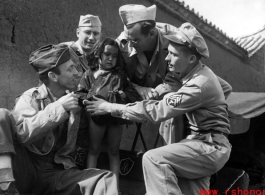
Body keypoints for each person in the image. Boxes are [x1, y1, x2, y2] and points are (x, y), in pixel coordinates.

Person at [85, 22, 232, 195]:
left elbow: (156, 111)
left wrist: (109, 106)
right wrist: (205, 107)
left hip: (208, 147)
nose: (167, 58)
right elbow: (226, 88)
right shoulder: (202, 73)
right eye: (167, 52)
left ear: (191, 59)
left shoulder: (198, 85)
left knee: (153, 159)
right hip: (199, 144)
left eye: (173, 54)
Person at [7, 43, 118, 195]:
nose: (77, 73)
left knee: (104, 179)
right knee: (1, 116)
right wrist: (59, 107)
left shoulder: (75, 100)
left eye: (75, 67)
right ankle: (5, 188)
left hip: (56, 173)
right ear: (53, 76)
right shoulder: (31, 97)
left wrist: (107, 107)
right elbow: (22, 134)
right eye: (70, 69)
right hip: (25, 168)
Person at [77, 37, 141, 187]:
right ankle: (90, 185)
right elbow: (80, 92)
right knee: (93, 149)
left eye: (114, 56)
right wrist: (86, 101)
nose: (110, 59)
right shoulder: (89, 74)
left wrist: (123, 95)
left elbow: (133, 95)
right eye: (107, 54)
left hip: (115, 118)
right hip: (96, 119)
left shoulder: (120, 76)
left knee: (113, 151)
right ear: (99, 54)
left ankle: (114, 186)